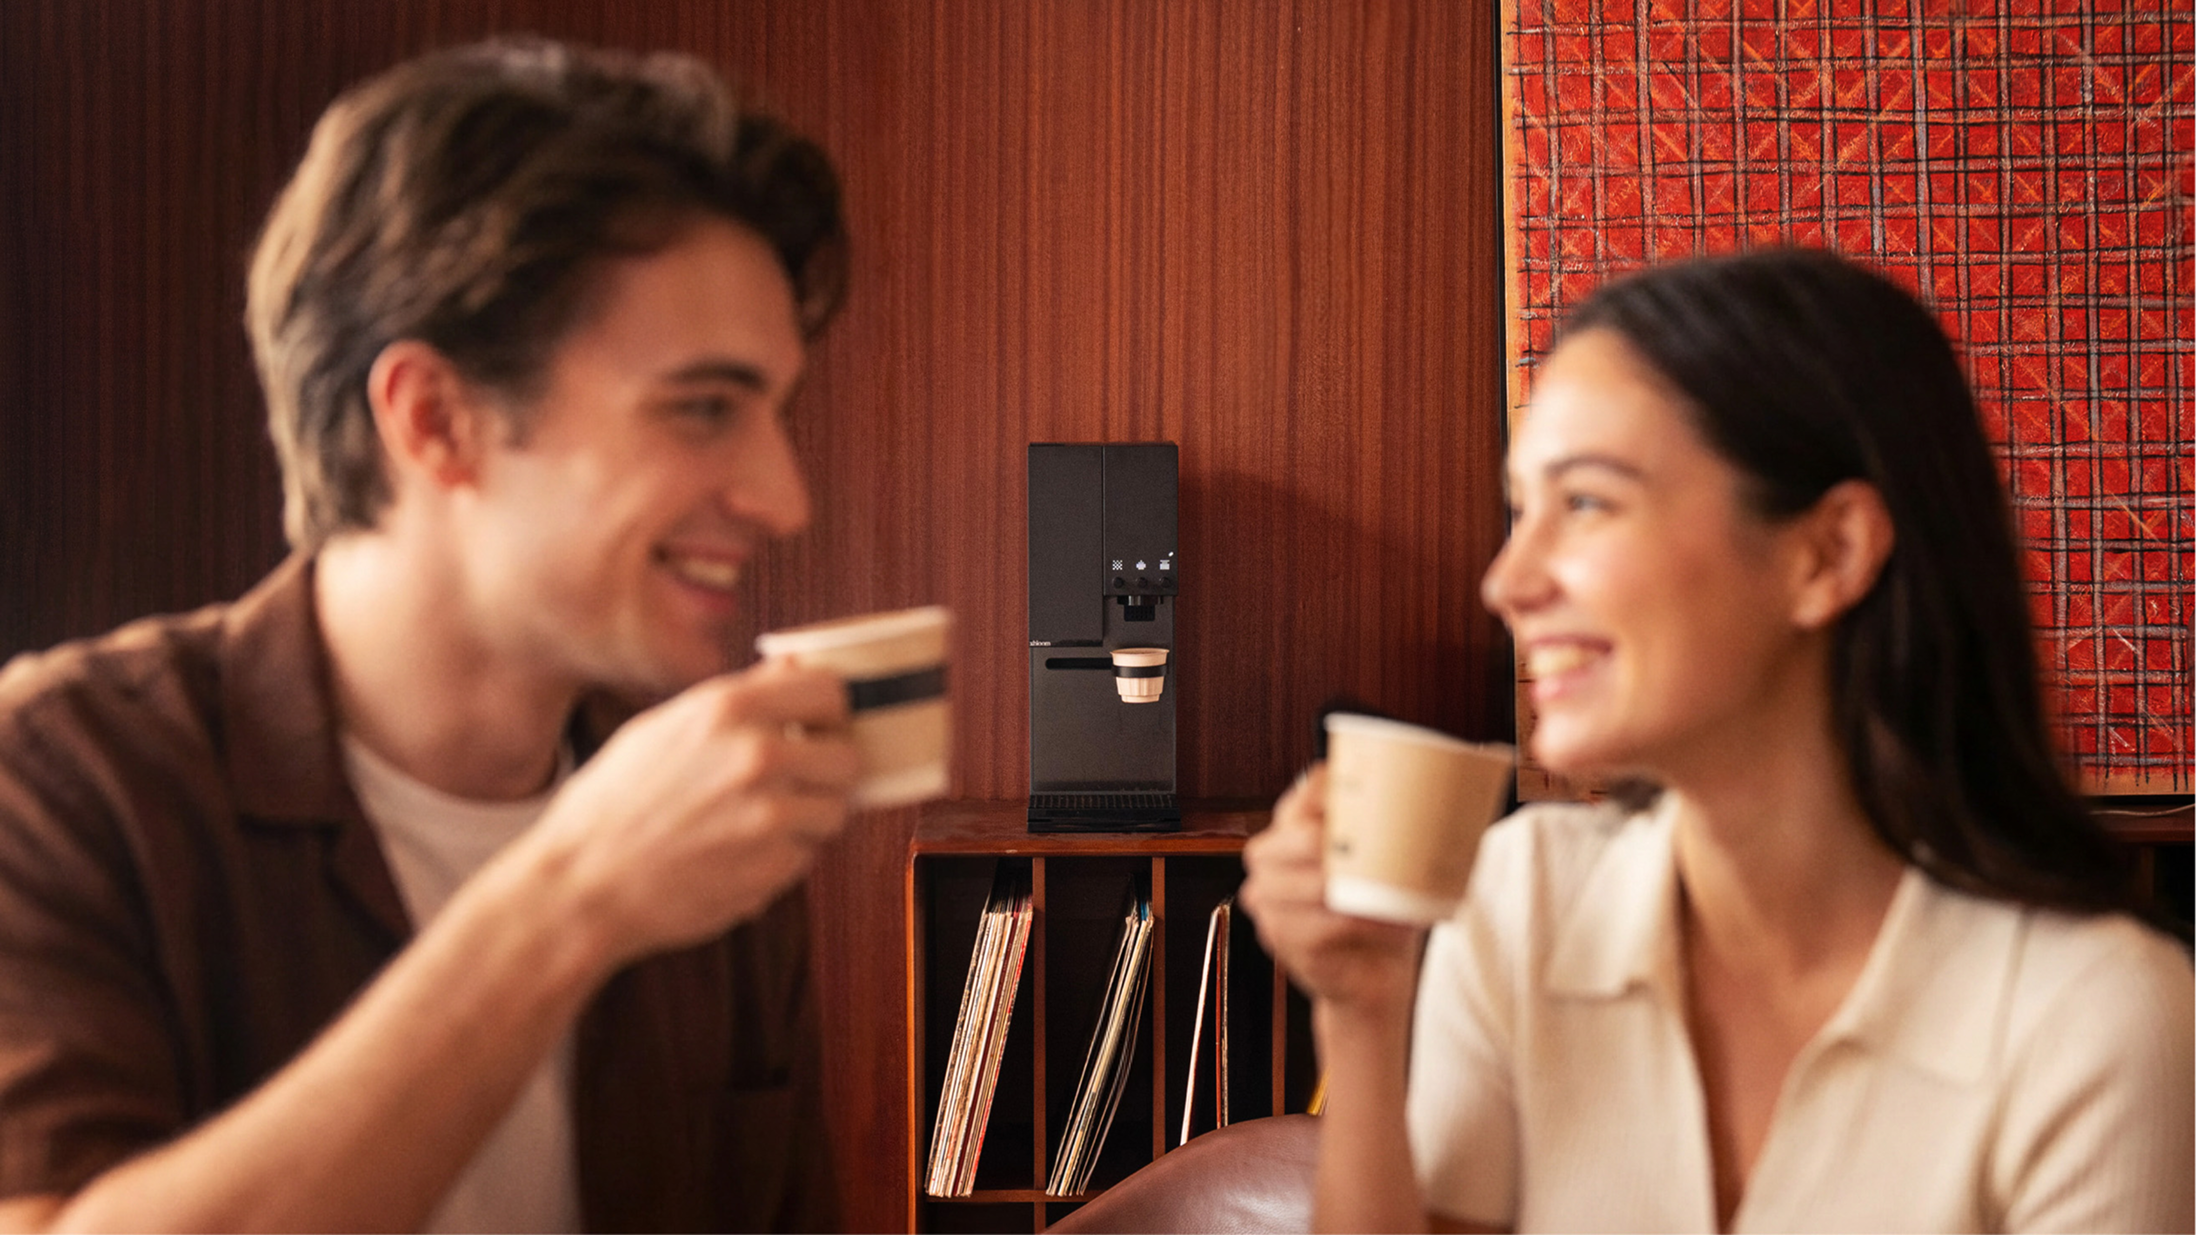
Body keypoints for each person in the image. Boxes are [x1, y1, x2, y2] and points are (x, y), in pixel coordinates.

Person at [0, 37, 861, 1232]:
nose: (783, 496)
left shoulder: (714, 799)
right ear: (435, 417)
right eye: (704, 408)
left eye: (776, 410)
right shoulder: (57, 778)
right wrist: (573, 900)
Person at [1241, 248, 2193, 1233]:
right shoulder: (1524, 898)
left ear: (1827, 554)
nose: (1507, 581)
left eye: (1588, 502)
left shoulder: (2101, 1017)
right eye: (1524, 509)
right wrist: (1360, 1011)